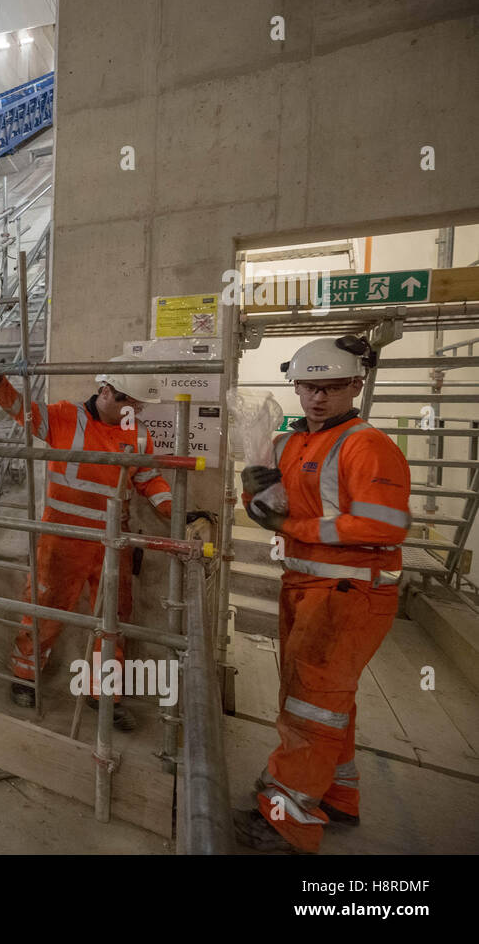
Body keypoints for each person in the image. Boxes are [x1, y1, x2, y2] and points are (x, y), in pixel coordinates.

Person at [233, 336, 411, 853]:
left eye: (332, 388)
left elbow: (385, 525)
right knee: (328, 704)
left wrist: (296, 524)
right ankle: (336, 796)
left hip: (350, 592)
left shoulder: (366, 444)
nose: (318, 398)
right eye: (310, 387)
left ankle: (286, 821)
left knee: (311, 706)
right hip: (305, 585)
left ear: (356, 385)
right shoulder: (290, 442)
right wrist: (255, 489)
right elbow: (268, 510)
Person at [0, 358, 188, 730]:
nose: (134, 412)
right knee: (45, 606)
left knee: (114, 619)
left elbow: (149, 478)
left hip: (113, 541)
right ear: (106, 391)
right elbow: (22, 411)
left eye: (138, 407)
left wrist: (176, 513)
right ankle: (25, 676)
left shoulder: (137, 434)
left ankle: (103, 693)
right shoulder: (64, 417)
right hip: (64, 538)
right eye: (130, 404)